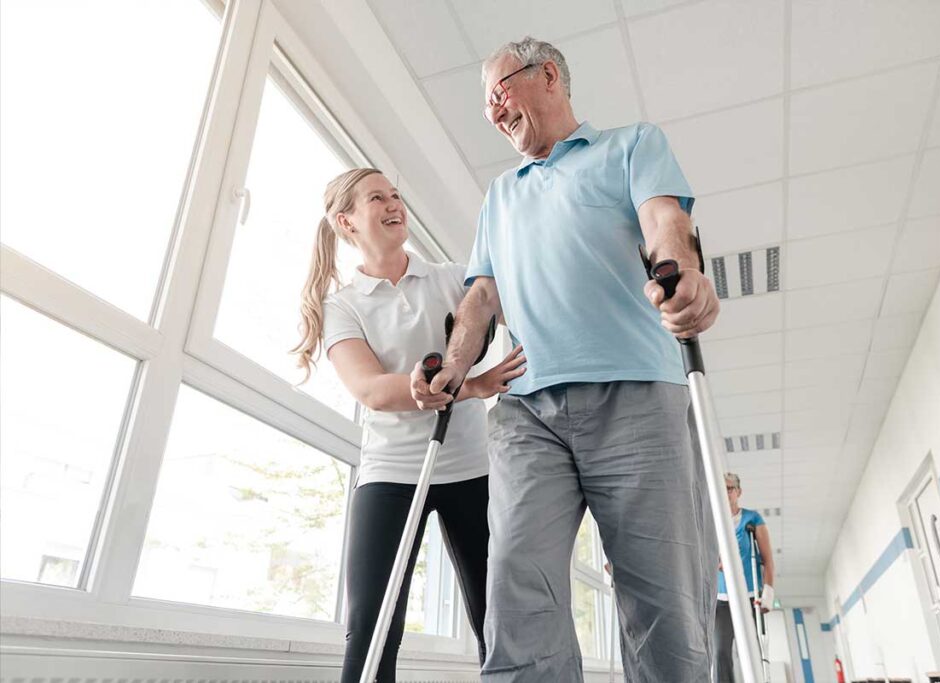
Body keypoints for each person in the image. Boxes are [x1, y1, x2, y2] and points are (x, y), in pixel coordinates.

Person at [411, 37, 721, 682]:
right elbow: (480, 297)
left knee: (661, 594)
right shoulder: (500, 196)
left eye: (499, 93)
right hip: (529, 412)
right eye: (486, 106)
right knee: (516, 587)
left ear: (548, 75)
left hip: (635, 394)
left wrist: (680, 270)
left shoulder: (630, 146)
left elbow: (664, 219)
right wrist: (454, 367)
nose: (494, 112)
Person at [292, 168, 526, 683]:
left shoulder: (452, 278)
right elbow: (372, 390)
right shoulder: (342, 305)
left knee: (502, 621)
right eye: (377, 197)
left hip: (471, 469)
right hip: (390, 475)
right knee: (372, 630)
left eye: (396, 194)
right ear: (346, 221)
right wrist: (472, 386)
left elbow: (524, 309)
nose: (394, 203)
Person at [714, 473, 775, 683]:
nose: (726, 493)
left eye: (730, 488)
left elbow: (767, 559)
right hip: (722, 599)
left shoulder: (752, 518)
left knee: (748, 650)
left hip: (749, 595)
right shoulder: (712, 521)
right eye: (722, 488)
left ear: (739, 492)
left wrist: (768, 591)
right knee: (720, 652)